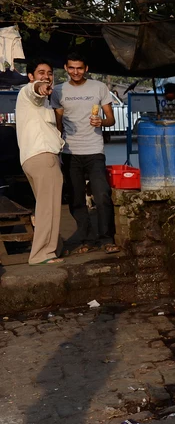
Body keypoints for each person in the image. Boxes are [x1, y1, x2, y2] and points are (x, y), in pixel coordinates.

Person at [52, 52, 120, 255]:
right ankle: (87, 239)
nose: (75, 72)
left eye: (79, 68)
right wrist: (56, 149)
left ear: (86, 69)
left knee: (102, 196)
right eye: (71, 68)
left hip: (94, 150)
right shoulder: (58, 90)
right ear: (65, 68)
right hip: (70, 152)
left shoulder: (99, 87)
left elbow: (111, 119)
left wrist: (102, 121)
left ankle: (106, 238)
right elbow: (58, 124)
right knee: (76, 199)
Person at [15, 59, 64, 265]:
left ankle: (49, 249)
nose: (47, 76)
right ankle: (42, 254)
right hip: (42, 156)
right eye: (41, 72)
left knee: (44, 206)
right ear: (31, 76)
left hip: (34, 157)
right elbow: (34, 90)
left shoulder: (43, 103)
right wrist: (40, 85)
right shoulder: (29, 92)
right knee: (48, 207)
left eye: (50, 73)